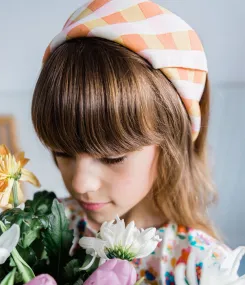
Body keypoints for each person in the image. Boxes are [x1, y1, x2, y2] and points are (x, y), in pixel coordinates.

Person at [31, 0, 233, 283]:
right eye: (62, 152)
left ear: (170, 144)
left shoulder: (202, 266)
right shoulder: (47, 228)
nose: (80, 184)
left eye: (112, 157)